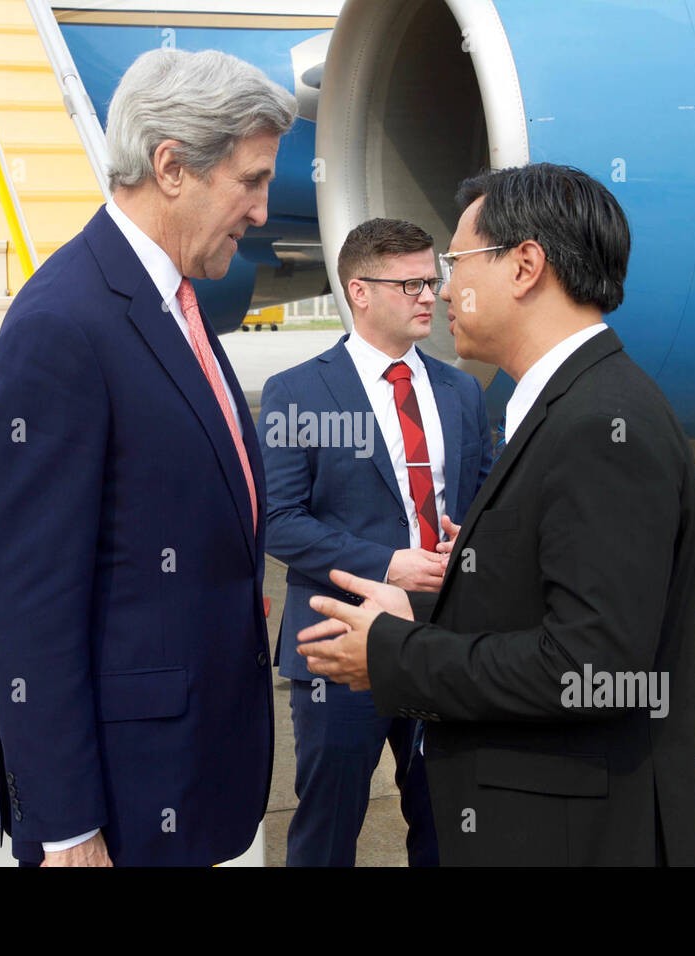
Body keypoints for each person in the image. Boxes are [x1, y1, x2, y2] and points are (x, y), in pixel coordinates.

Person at [296, 163, 695, 866]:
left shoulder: (601, 424)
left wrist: (394, 651)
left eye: (456, 263)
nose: (444, 288)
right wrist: (428, 607)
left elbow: (589, 664)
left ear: (525, 266)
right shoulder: (568, 407)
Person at [0, 49, 296, 866]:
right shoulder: (63, 326)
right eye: (251, 181)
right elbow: (27, 606)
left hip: (185, 785)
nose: (261, 211)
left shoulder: (173, 304)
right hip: (117, 810)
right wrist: (69, 825)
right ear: (172, 166)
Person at [257, 218, 493, 866]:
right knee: (328, 828)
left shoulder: (461, 390)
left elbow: (489, 504)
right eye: (410, 282)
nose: (429, 295)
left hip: (443, 639)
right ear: (359, 291)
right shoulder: (298, 392)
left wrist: (466, 542)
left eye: (432, 279)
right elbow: (279, 519)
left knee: (447, 821)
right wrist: (389, 563)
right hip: (339, 639)